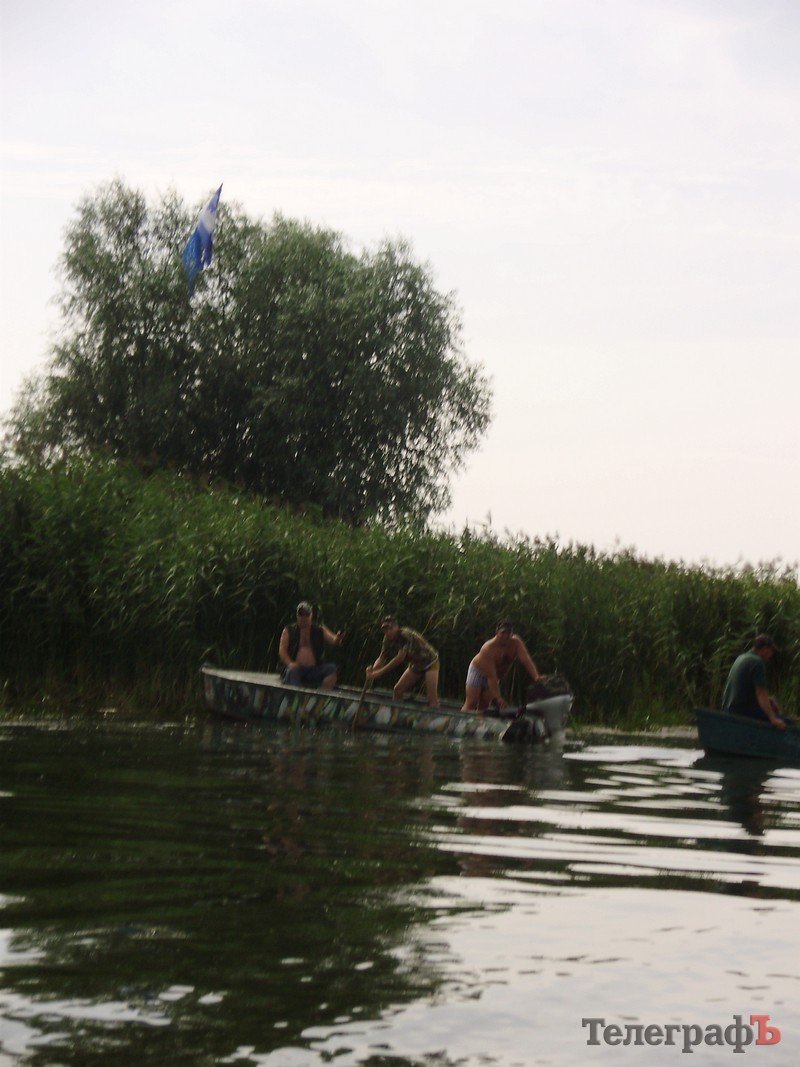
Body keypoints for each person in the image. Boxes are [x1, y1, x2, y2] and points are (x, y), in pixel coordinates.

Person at [463, 620, 543, 712]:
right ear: (497, 633)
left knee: (484, 704)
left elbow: (526, 660)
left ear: (512, 634)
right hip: (479, 672)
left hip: (495, 676)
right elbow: (491, 677)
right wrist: (498, 698)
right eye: (503, 633)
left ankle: (479, 724)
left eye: (508, 633)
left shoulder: (516, 643)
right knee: (472, 702)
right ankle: (459, 722)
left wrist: (536, 676)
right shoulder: (488, 648)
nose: (505, 636)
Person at [366, 616, 440, 707]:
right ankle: (396, 715)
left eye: (390, 628)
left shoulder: (405, 635)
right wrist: (373, 670)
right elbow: (382, 657)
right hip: (416, 664)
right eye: (385, 630)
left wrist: (380, 672)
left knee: (431, 697)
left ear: (397, 627)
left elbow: (399, 658)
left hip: (430, 662)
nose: (388, 632)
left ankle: (434, 714)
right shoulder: (387, 639)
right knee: (398, 690)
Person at [721, 634, 787, 730]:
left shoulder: (741, 657)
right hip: (741, 711)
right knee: (787, 722)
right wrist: (773, 718)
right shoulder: (757, 663)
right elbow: (761, 693)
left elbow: (747, 691)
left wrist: (769, 701)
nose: (771, 654)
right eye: (771, 650)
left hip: (728, 709)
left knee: (772, 711)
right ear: (764, 649)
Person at [279, 601, 344, 690]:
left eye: (306, 614)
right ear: (297, 616)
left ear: (311, 615)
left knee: (332, 669)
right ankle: (299, 698)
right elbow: (282, 651)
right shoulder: (288, 630)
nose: (304, 617)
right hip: (297, 669)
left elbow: (334, 640)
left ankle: (321, 696)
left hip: (315, 669)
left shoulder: (319, 629)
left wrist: (338, 638)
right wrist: (290, 663)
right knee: (291, 672)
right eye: (301, 614)